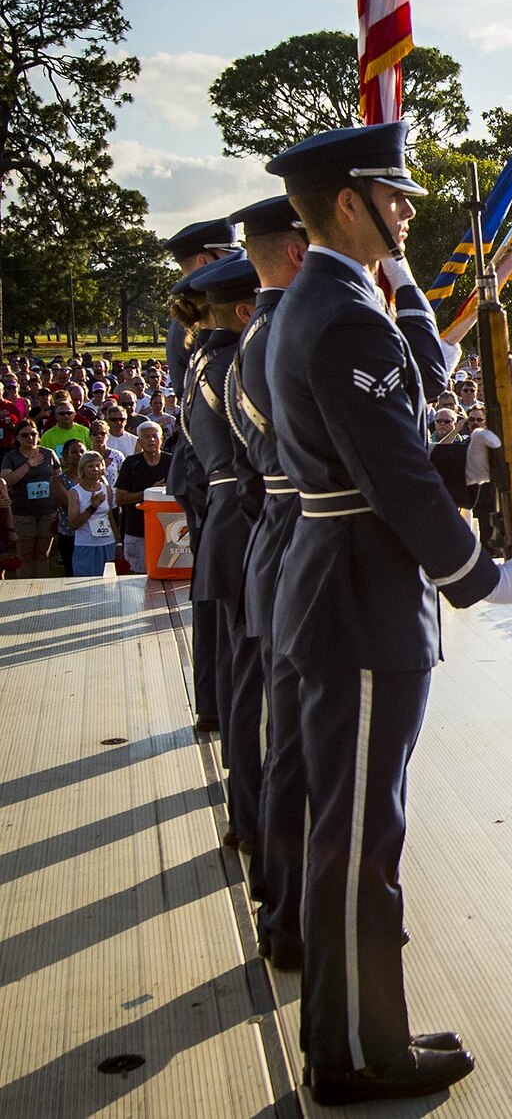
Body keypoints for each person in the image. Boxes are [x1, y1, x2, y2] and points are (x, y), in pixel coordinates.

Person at [263, 121, 512, 1104]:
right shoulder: (345, 314)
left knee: (361, 830)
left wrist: (460, 461)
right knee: (358, 841)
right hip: (357, 597)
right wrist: (482, 579)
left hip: (350, 584)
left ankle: (362, 1033)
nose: (408, 210)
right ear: (346, 201)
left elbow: (372, 458)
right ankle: (353, 1056)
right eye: (393, 196)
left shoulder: (327, 301)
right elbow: (385, 478)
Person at [222, 193, 310, 972]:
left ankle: (284, 905)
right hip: (302, 540)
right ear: (297, 251)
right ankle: (291, 912)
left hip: (276, 538)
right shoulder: (286, 330)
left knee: (289, 746)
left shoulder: (257, 332)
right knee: (300, 753)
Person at [181, 253, 266, 851]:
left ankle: (246, 810)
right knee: (254, 684)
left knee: (242, 679)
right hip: (243, 519)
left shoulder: (200, 360)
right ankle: (253, 815)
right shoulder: (233, 361)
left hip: (224, 523)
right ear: (242, 310)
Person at [3, 420, 61, 577]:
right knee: (26, 556)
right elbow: (7, 480)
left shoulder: (49, 454)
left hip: (47, 511)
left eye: (33, 434)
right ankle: (24, 591)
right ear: (17, 438)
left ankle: (41, 592)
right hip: (23, 513)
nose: (30, 437)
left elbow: (58, 480)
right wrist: (28, 464)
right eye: (25, 435)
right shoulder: (11, 457)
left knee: (42, 554)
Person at [113, 419, 166, 572]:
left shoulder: (172, 461)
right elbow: (120, 498)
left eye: (155, 436)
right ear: (139, 441)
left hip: (166, 530)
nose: (151, 440)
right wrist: (149, 492)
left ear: (161, 440)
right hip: (137, 530)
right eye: (146, 437)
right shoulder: (130, 463)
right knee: (137, 577)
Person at [63, 449, 118, 576]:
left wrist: (117, 542)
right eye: (90, 466)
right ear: (82, 469)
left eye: (98, 465)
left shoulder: (107, 489)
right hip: (86, 544)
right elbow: (73, 524)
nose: (95, 469)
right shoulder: (75, 492)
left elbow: (110, 516)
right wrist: (92, 508)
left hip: (107, 542)